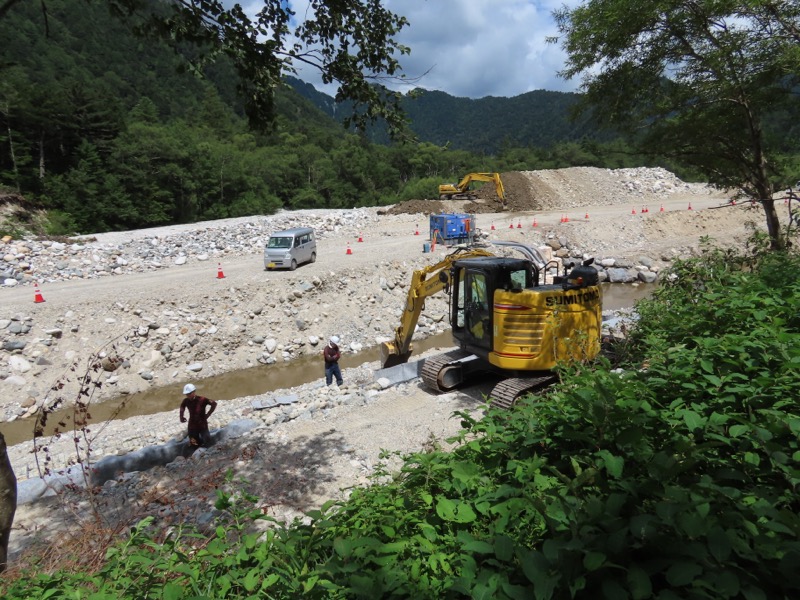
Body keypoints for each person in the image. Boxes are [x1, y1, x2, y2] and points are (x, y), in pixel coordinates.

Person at [179, 383, 217, 448]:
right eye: (187, 394)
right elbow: (182, 407)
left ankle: (208, 452)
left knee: (207, 440)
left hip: (202, 424)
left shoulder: (202, 399)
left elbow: (214, 404)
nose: (188, 396)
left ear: (194, 392)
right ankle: (196, 452)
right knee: (194, 442)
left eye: (189, 394)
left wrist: (208, 414)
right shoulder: (186, 401)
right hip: (192, 425)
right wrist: (181, 417)